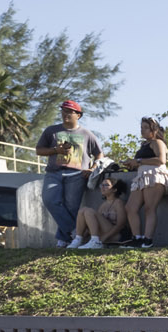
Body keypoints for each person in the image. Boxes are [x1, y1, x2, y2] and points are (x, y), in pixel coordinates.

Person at [35, 100, 101, 249]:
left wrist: (93, 168)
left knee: (71, 207)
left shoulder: (87, 134)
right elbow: (39, 150)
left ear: (78, 115)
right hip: (54, 172)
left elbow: (99, 154)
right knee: (49, 200)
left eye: (69, 111)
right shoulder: (51, 131)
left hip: (77, 174)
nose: (65, 114)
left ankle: (64, 239)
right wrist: (55, 150)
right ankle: (76, 232)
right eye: (63, 110)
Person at [125, 117, 168, 249]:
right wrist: (132, 163)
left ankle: (148, 239)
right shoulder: (143, 145)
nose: (142, 130)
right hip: (141, 176)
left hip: (154, 175)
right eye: (141, 128)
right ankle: (137, 238)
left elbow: (161, 160)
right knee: (130, 207)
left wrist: (139, 161)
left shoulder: (157, 142)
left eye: (146, 128)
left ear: (154, 129)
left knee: (149, 208)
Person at [72, 177, 130, 250]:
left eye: (106, 185)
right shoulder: (103, 205)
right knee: (82, 210)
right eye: (101, 185)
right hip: (102, 234)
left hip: (115, 235)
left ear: (114, 189)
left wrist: (104, 237)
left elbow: (120, 225)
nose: (102, 187)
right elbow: (95, 222)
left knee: (89, 211)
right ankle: (78, 239)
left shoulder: (118, 203)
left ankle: (95, 241)